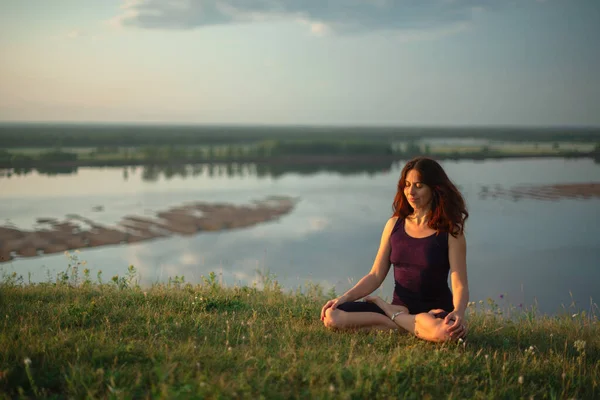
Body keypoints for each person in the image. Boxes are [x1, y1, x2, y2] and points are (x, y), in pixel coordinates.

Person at [320, 156, 469, 342]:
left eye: (419, 185)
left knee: (446, 333)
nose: (411, 192)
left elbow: (459, 283)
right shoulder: (394, 225)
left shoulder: (450, 231)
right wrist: (343, 298)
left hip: (433, 312)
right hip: (401, 306)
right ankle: (406, 324)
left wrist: (458, 312)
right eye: (407, 185)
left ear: (434, 188)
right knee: (332, 316)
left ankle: (393, 318)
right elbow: (375, 275)